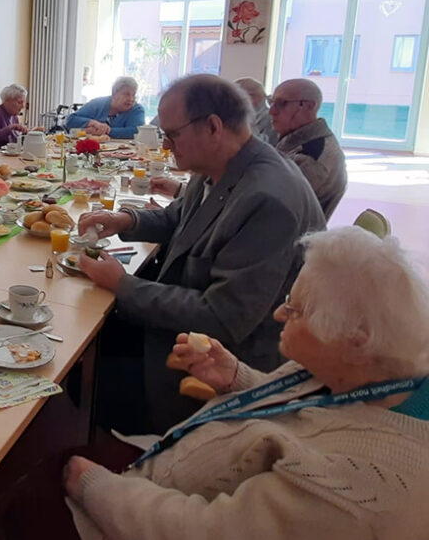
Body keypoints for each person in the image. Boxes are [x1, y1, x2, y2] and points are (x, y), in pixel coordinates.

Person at [64, 226, 429, 540]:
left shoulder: (350, 494)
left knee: (28, 477)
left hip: (141, 513)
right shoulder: (370, 372)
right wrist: (239, 379)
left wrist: (94, 486)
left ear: (354, 342)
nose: (279, 313)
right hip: (166, 463)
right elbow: (308, 415)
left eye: (295, 310)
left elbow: (198, 531)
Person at [77, 74, 325, 433]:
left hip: (222, 359)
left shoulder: (268, 200)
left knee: (89, 354)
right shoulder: (225, 164)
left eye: (172, 134)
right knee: (93, 326)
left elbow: (223, 317)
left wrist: (123, 285)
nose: (165, 144)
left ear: (213, 127)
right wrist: (126, 220)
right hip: (191, 324)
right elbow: (182, 216)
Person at [270, 78, 348, 219]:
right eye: (271, 102)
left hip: (291, 237)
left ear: (309, 106)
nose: (272, 111)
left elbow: (275, 210)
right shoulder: (294, 140)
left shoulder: (311, 157)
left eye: (282, 103)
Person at [65, 77, 145, 139]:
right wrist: (93, 123)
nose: (131, 99)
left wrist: (100, 131)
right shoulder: (98, 104)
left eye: (133, 95)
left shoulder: (137, 110)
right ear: (114, 95)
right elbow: (70, 120)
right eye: (126, 94)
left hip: (125, 154)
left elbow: (135, 131)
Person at [0, 83, 30, 151]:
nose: (23, 106)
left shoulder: (14, 116)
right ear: (7, 100)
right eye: (19, 102)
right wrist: (10, 128)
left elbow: (15, 141)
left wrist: (26, 133)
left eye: (23, 102)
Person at [234, 76, 277, 144]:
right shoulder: (253, 115)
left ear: (250, 96)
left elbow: (265, 144)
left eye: (235, 97)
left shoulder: (270, 117)